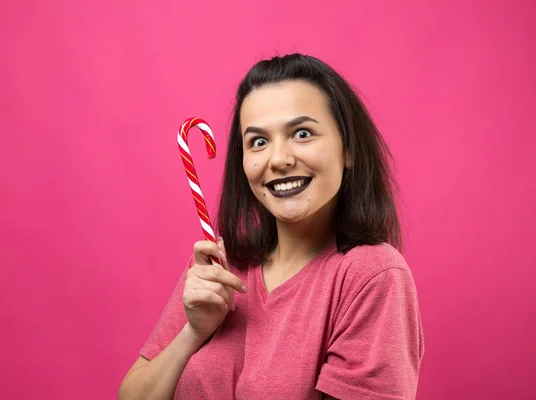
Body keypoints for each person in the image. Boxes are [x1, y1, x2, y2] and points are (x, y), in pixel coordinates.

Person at [119, 54, 425, 400]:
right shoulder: (220, 267)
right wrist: (194, 331)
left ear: (349, 150)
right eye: (259, 142)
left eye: (302, 133)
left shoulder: (371, 275)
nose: (278, 159)